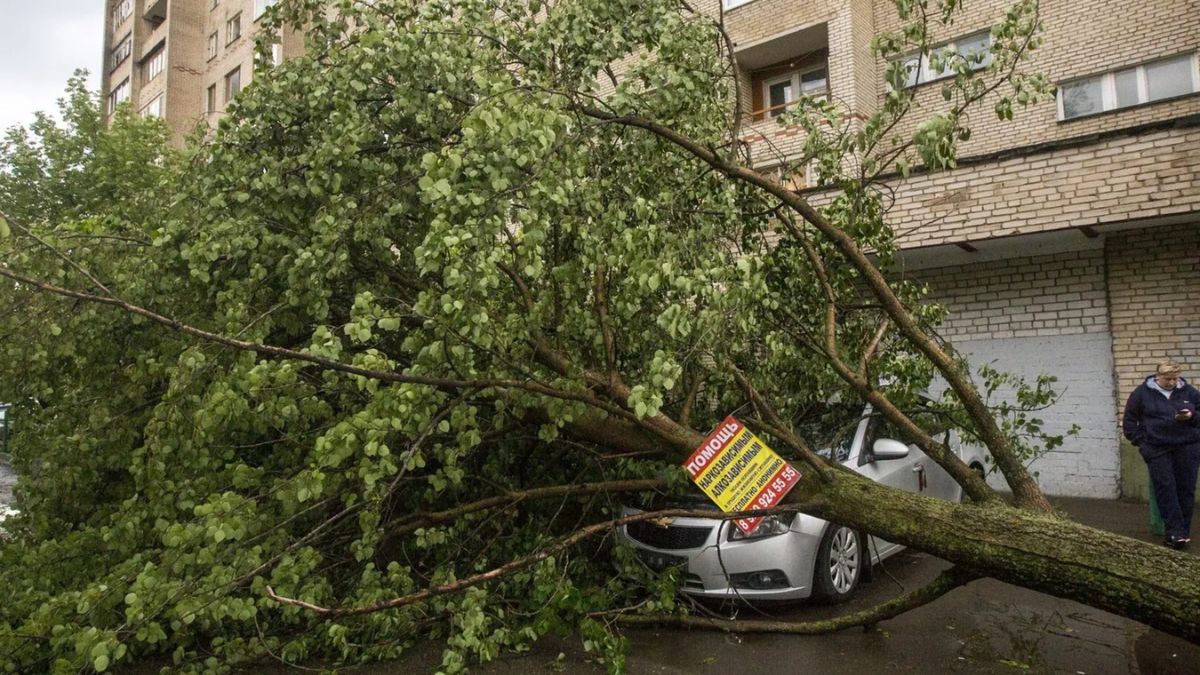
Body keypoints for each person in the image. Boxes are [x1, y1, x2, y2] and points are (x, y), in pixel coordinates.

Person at [1122, 361, 1200, 549]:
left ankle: (1182, 533)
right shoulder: (1141, 394)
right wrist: (1143, 443)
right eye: (1167, 379)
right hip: (1157, 448)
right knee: (1166, 489)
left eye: (1175, 379)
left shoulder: (1190, 392)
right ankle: (1174, 532)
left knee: (1186, 490)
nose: (1172, 382)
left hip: (1187, 446)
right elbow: (1130, 422)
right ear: (1158, 377)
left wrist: (1191, 416)